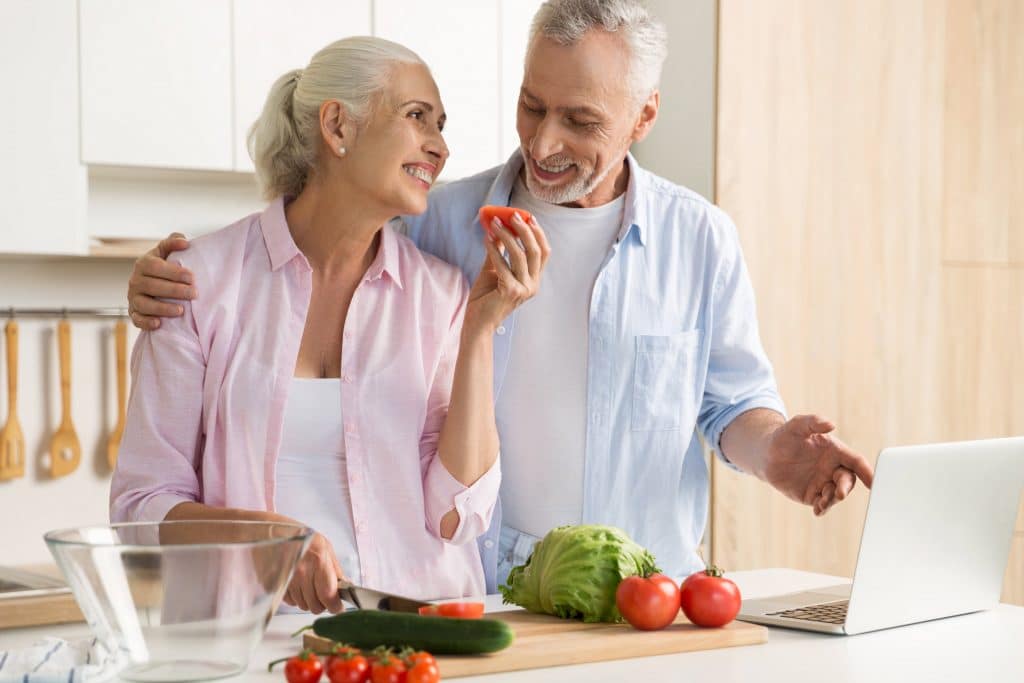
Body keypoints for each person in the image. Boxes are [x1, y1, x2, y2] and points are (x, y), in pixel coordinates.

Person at [123, 0, 873, 593]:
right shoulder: (436, 225)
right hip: (492, 594)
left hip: (651, 591)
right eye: (531, 105)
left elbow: (730, 403)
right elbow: (322, 252)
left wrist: (774, 451)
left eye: (581, 121)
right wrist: (163, 287)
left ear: (644, 116)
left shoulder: (699, 238)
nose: (544, 144)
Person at [109, 36, 550, 613]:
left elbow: (456, 516)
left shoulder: (440, 294)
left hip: (414, 638)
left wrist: (478, 331)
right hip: (250, 642)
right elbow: (141, 509)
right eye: (418, 117)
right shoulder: (195, 284)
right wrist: (267, 539)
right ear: (338, 126)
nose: (439, 146)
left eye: (441, 126)